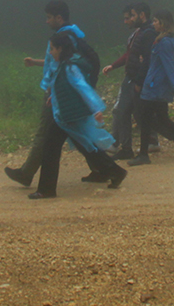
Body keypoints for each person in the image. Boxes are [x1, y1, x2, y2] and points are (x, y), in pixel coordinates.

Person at [4, 1, 102, 186]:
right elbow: (59, 60)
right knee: (79, 132)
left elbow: (62, 64)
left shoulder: (63, 37)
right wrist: (35, 62)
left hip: (58, 93)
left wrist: (52, 90)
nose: (46, 21)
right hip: (64, 91)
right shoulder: (73, 34)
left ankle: (26, 173)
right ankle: (102, 169)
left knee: (45, 133)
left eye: (49, 17)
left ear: (59, 17)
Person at [29, 33, 126, 198]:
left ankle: (46, 189)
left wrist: (96, 108)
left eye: (52, 49)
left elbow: (82, 87)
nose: (50, 52)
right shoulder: (64, 65)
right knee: (85, 146)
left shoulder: (70, 67)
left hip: (68, 116)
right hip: (66, 114)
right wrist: (54, 97)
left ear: (60, 48)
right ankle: (115, 171)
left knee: (51, 148)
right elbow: (65, 86)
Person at [130, 9, 174, 165]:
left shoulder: (164, 42)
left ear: (163, 23)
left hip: (155, 87)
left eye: (155, 21)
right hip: (155, 85)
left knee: (146, 119)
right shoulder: (163, 40)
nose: (153, 23)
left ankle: (143, 154)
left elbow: (169, 65)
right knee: (161, 119)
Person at [102, 3, 156, 159]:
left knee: (141, 113)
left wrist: (141, 80)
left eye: (131, 16)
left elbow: (147, 59)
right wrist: (113, 65)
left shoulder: (148, 33)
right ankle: (126, 147)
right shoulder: (137, 34)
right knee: (122, 111)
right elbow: (130, 55)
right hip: (132, 77)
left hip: (138, 78)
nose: (128, 20)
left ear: (141, 15)